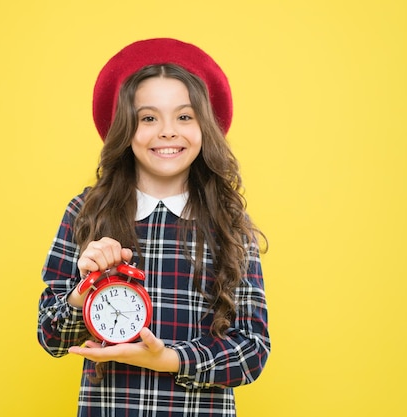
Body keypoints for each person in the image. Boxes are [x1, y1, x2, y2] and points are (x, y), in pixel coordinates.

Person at [37, 38, 270, 417]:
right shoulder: (86, 212)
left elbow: (252, 351)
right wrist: (83, 292)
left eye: (184, 116)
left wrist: (170, 359)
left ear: (204, 127)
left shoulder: (228, 224)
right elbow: (50, 337)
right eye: (148, 118)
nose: (166, 131)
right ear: (125, 129)